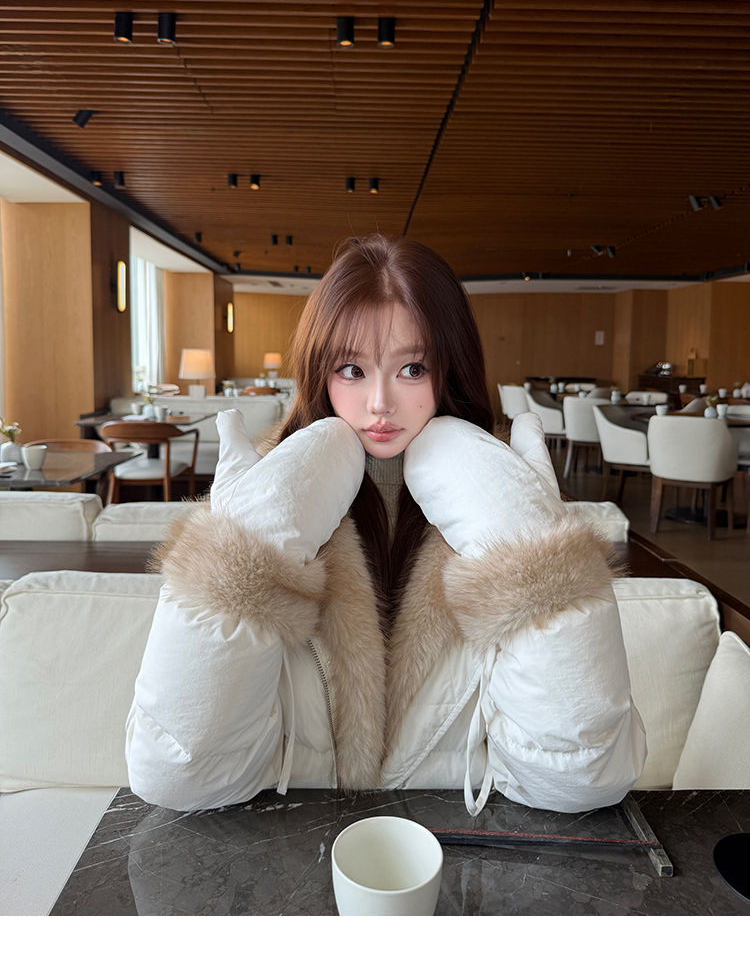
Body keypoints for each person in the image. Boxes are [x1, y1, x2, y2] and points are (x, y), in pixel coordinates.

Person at [126, 235, 646, 815]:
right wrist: (248, 547)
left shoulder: (504, 503)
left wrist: (526, 545)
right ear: (319, 372)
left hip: (464, 850)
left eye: (412, 368)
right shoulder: (262, 500)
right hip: (294, 850)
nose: (379, 402)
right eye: (352, 369)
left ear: (450, 370)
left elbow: (583, 781)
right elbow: (179, 778)